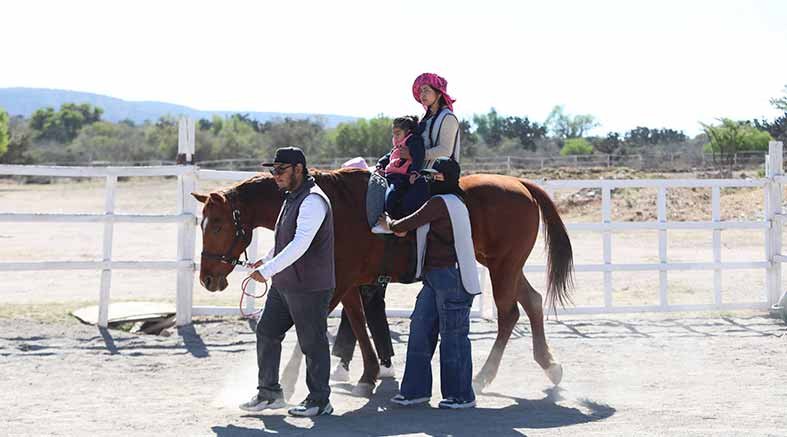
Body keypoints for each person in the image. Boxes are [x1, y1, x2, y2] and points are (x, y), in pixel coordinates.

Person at [239, 146, 335, 417]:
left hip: (309, 286)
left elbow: (300, 244)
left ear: (298, 169)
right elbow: (284, 239)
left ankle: (319, 401)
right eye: (273, 170)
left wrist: (267, 271)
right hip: (286, 284)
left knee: (312, 343)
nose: (275, 175)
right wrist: (265, 260)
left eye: (280, 170)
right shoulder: (292, 197)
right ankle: (268, 393)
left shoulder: (313, 200)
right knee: (267, 332)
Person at [387, 158, 480, 409]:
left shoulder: (439, 202)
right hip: (436, 277)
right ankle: (416, 391)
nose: (430, 181)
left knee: (453, 337)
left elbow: (404, 225)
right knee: (420, 330)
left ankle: (461, 395)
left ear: (446, 178)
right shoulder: (453, 201)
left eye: (435, 177)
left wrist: (390, 221)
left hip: (450, 277)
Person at [373, 116, 426, 226]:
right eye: (393, 134)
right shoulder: (397, 146)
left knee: (391, 196)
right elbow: (388, 156)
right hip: (390, 176)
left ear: (407, 132)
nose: (395, 137)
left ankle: (391, 222)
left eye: (398, 133)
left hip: (401, 177)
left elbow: (418, 156)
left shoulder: (413, 141)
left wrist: (414, 172)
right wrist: (380, 164)